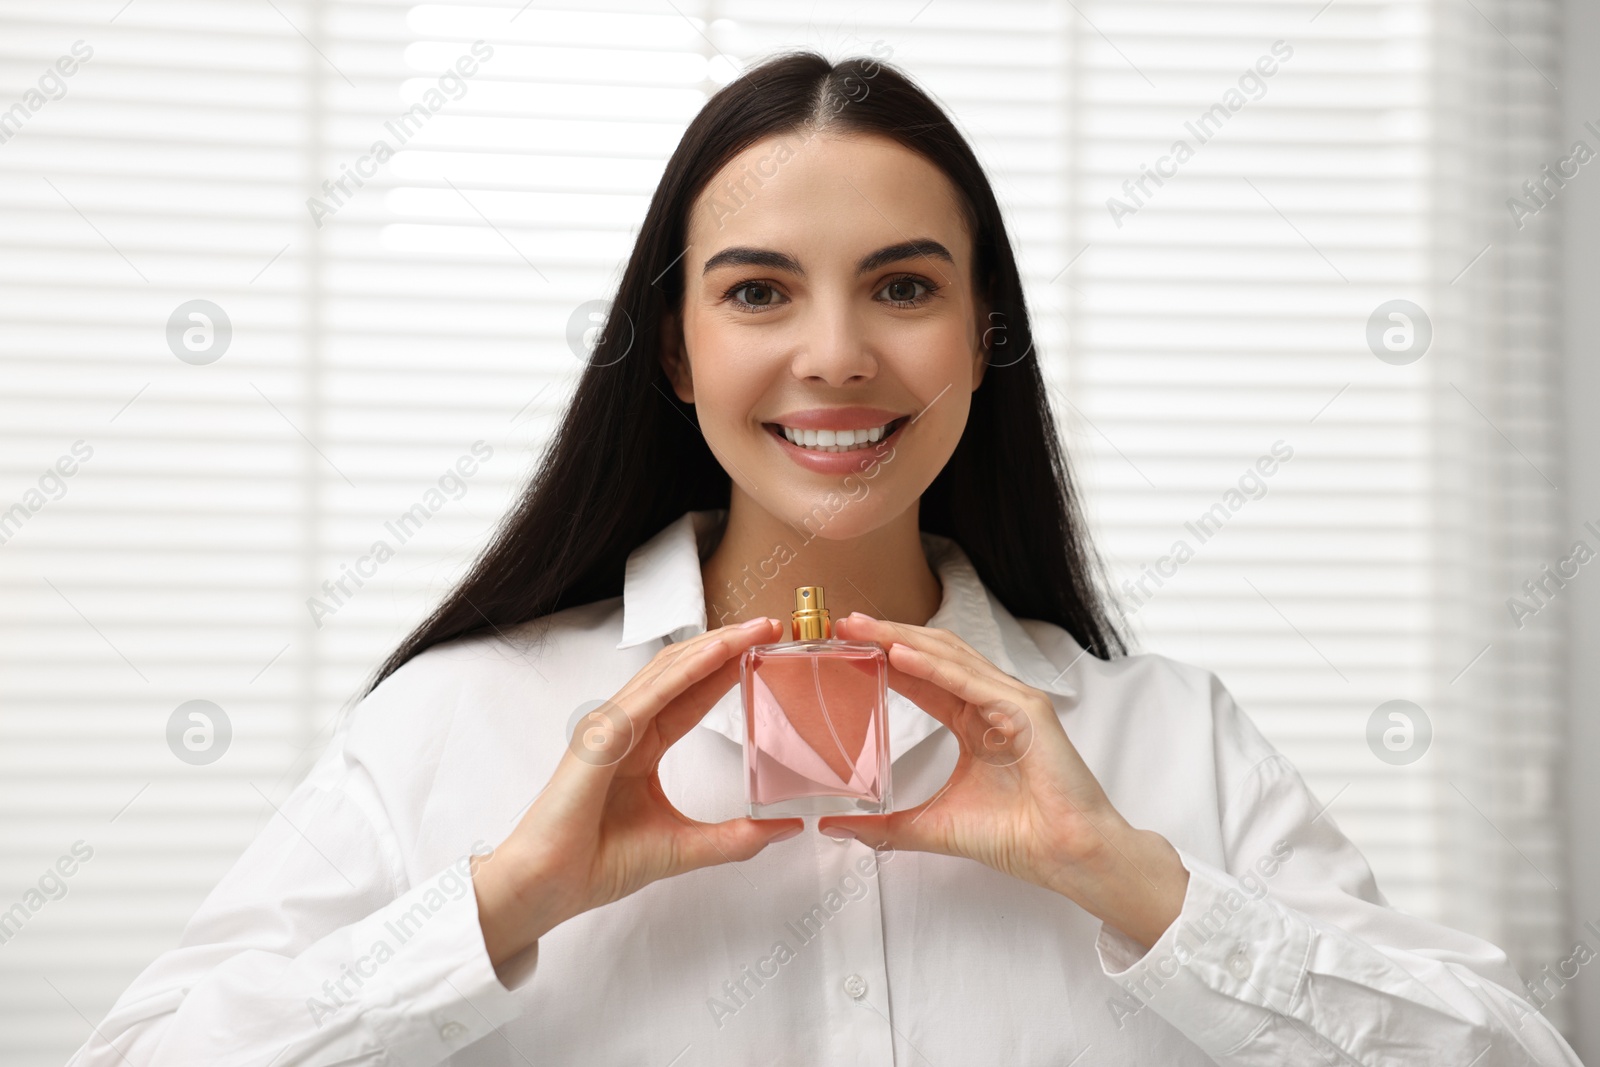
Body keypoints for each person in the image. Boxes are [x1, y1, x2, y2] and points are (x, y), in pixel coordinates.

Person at [73, 50, 1582, 1065]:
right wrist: (500, 904)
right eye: (758, 292)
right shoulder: (457, 727)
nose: (838, 355)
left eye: (904, 286)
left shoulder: (1163, 738)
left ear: (984, 339)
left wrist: (1140, 889)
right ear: (674, 348)